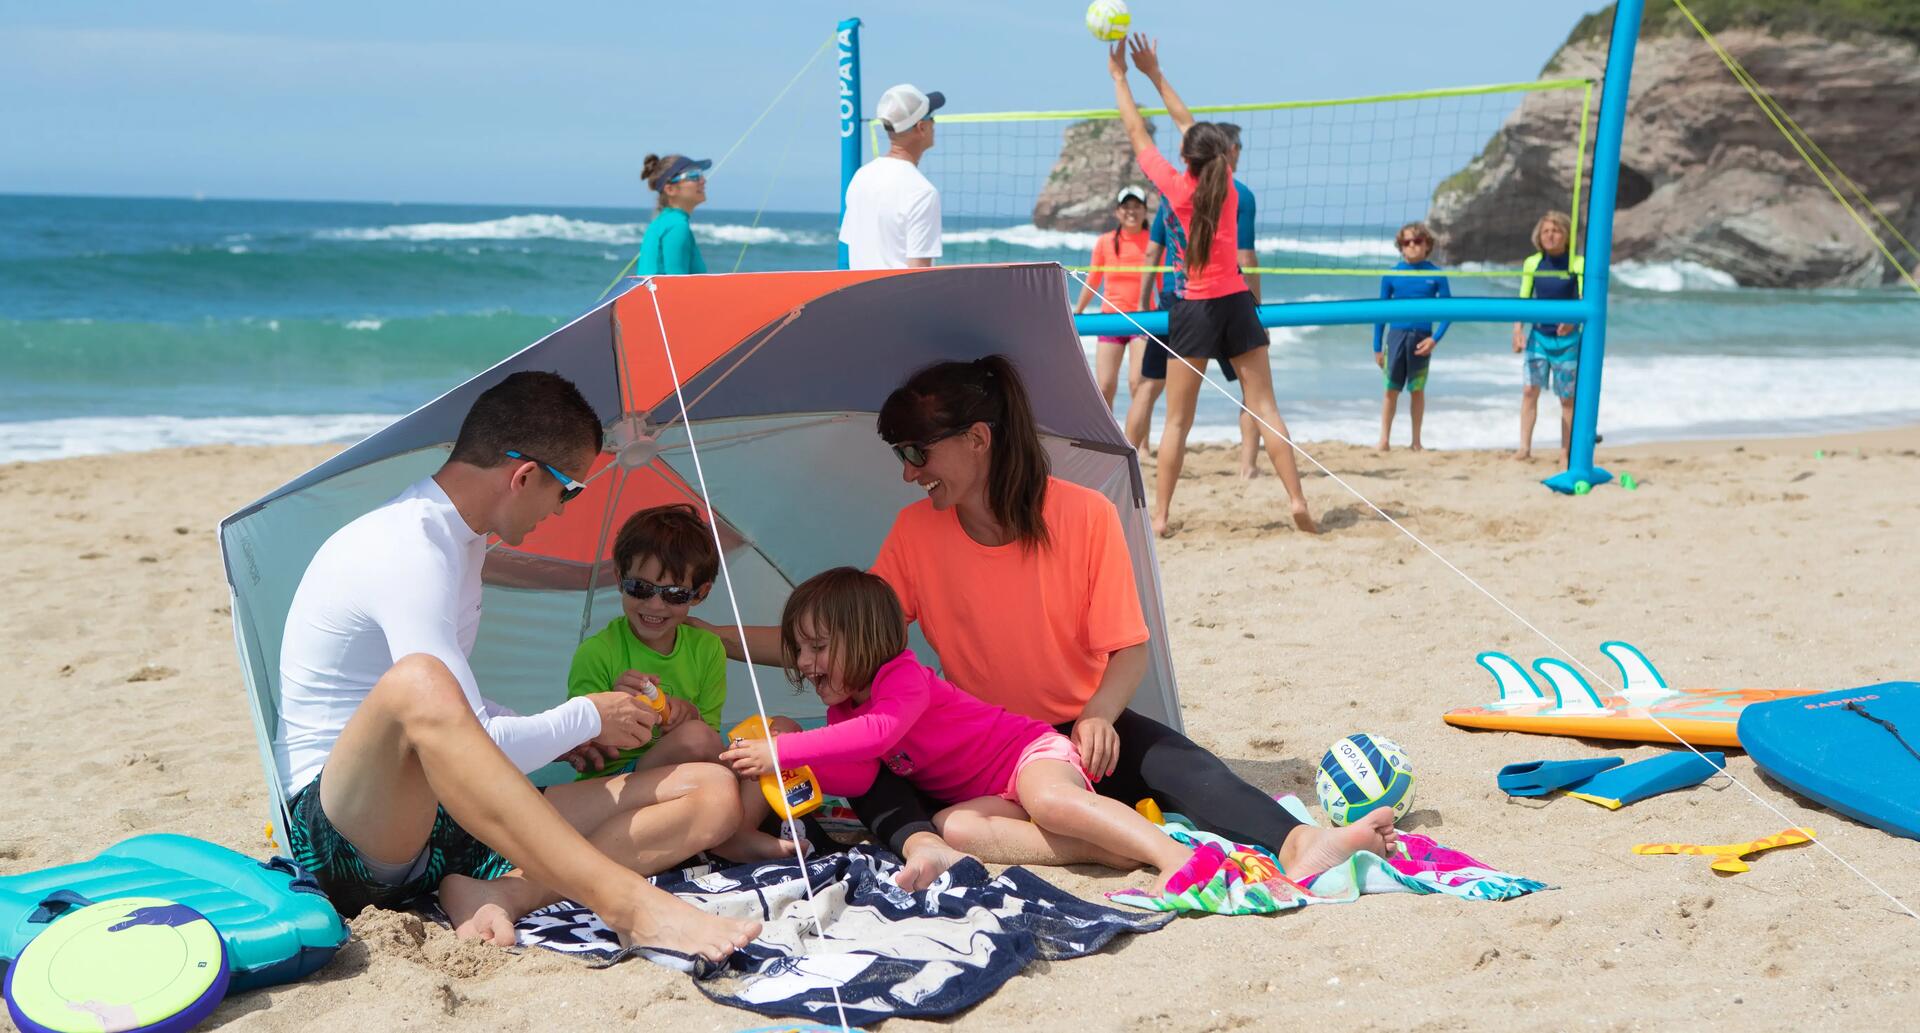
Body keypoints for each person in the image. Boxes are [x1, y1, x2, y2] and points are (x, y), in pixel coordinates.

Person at [698, 356, 1396, 893]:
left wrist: (1098, 714)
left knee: (1179, 762)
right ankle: (974, 842)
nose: (909, 474)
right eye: (900, 456)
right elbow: (841, 640)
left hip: (1077, 729)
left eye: (917, 453)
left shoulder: (1085, 514)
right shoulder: (915, 533)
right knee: (889, 758)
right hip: (980, 749)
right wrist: (713, 639)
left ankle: (1301, 844)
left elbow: (1128, 646)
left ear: (977, 438)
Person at [276, 370, 759, 959]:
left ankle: (501, 894)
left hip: (442, 824)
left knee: (708, 790)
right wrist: (584, 717)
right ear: (524, 475)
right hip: (348, 834)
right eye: (569, 491)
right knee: (418, 681)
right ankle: (630, 905)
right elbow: (442, 712)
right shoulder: (407, 549)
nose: (561, 510)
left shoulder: (462, 545)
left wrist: (564, 737)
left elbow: (464, 724)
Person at [721, 568, 1201, 894]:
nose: (804, 664)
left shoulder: (902, 678)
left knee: (1051, 803)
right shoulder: (844, 712)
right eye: (799, 651)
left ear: (864, 640)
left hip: (1027, 754)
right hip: (991, 794)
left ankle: (1170, 854)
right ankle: (1111, 849)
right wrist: (798, 772)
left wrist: (783, 748)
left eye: (817, 648)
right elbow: (864, 778)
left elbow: (879, 734)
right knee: (955, 828)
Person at [1110, 36, 1314, 536]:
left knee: (1178, 421)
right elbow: (1190, 126)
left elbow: (1138, 132)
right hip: (1236, 301)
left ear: (1185, 157)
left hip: (1194, 310)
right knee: (1265, 406)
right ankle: (1296, 499)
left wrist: (1121, 77)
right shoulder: (1228, 183)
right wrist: (1157, 74)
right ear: (1220, 154)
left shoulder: (1175, 188)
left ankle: (1160, 516)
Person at [563, 504, 802, 861]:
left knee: (783, 731)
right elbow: (584, 753)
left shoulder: (706, 648)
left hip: (699, 779)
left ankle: (737, 832)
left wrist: (687, 714)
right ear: (619, 578)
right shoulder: (597, 652)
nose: (655, 605)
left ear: (700, 593)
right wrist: (611, 714)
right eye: (640, 588)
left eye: (674, 594)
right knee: (695, 737)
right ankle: (730, 832)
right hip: (622, 784)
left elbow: (708, 742)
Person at [1132, 130, 1261, 475]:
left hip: (1174, 302)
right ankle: (1248, 465)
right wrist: (1256, 306)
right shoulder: (1238, 194)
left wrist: (1144, 300)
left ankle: (1132, 458)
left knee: (1155, 391)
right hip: (1224, 301)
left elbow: (1152, 251)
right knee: (1254, 392)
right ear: (1229, 151)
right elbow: (1246, 256)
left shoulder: (1171, 192)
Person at [840, 83, 945, 270]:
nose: (935, 124)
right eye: (932, 118)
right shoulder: (922, 192)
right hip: (898, 298)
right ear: (922, 127)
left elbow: (852, 247)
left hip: (859, 297)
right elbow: (918, 274)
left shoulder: (860, 177)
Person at [1074, 186, 1156, 412]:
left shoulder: (1153, 243)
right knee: (1105, 387)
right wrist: (1078, 313)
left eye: (1137, 207)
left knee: (1137, 384)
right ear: (1118, 212)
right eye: (1126, 207)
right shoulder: (1105, 242)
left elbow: (1162, 282)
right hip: (1111, 320)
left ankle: (1143, 445)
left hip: (1143, 321)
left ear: (1144, 211)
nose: (1131, 212)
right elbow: (1092, 280)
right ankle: (1112, 445)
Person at [1511, 211, 1584, 462]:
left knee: (1567, 398)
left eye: (1556, 231)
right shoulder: (1533, 263)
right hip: (1539, 336)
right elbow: (1524, 297)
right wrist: (1517, 329)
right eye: (1545, 231)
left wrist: (1573, 320)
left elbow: (1585, 300)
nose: (1550, 235)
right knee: (1530, 390)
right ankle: (1524, 448)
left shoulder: (1577, 263)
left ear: (1566, 235)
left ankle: (1565, 453)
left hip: (1568, 341)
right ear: (1538, 237)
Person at [1373, 222, 1451, 452]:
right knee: (1391, 389)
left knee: (1417, 390)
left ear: (1427, 245)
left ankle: (1416, 441)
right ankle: (1384, 440)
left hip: (1421, 337)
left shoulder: (1436, 275)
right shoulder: (1392, 274)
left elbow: (1450, 312)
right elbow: (1380, 313)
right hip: (1396, 337)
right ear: (1401, 246)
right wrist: (1377, 347)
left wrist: (1434, 339)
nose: (1412, 246)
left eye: (1417, 241)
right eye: (1407, 242)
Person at [634, 154, 711, 275]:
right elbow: (677, 288)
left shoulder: (663, 221)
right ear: (670, 189)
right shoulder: (677, 225)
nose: (703, 180)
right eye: (694, 175)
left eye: (700, 175)